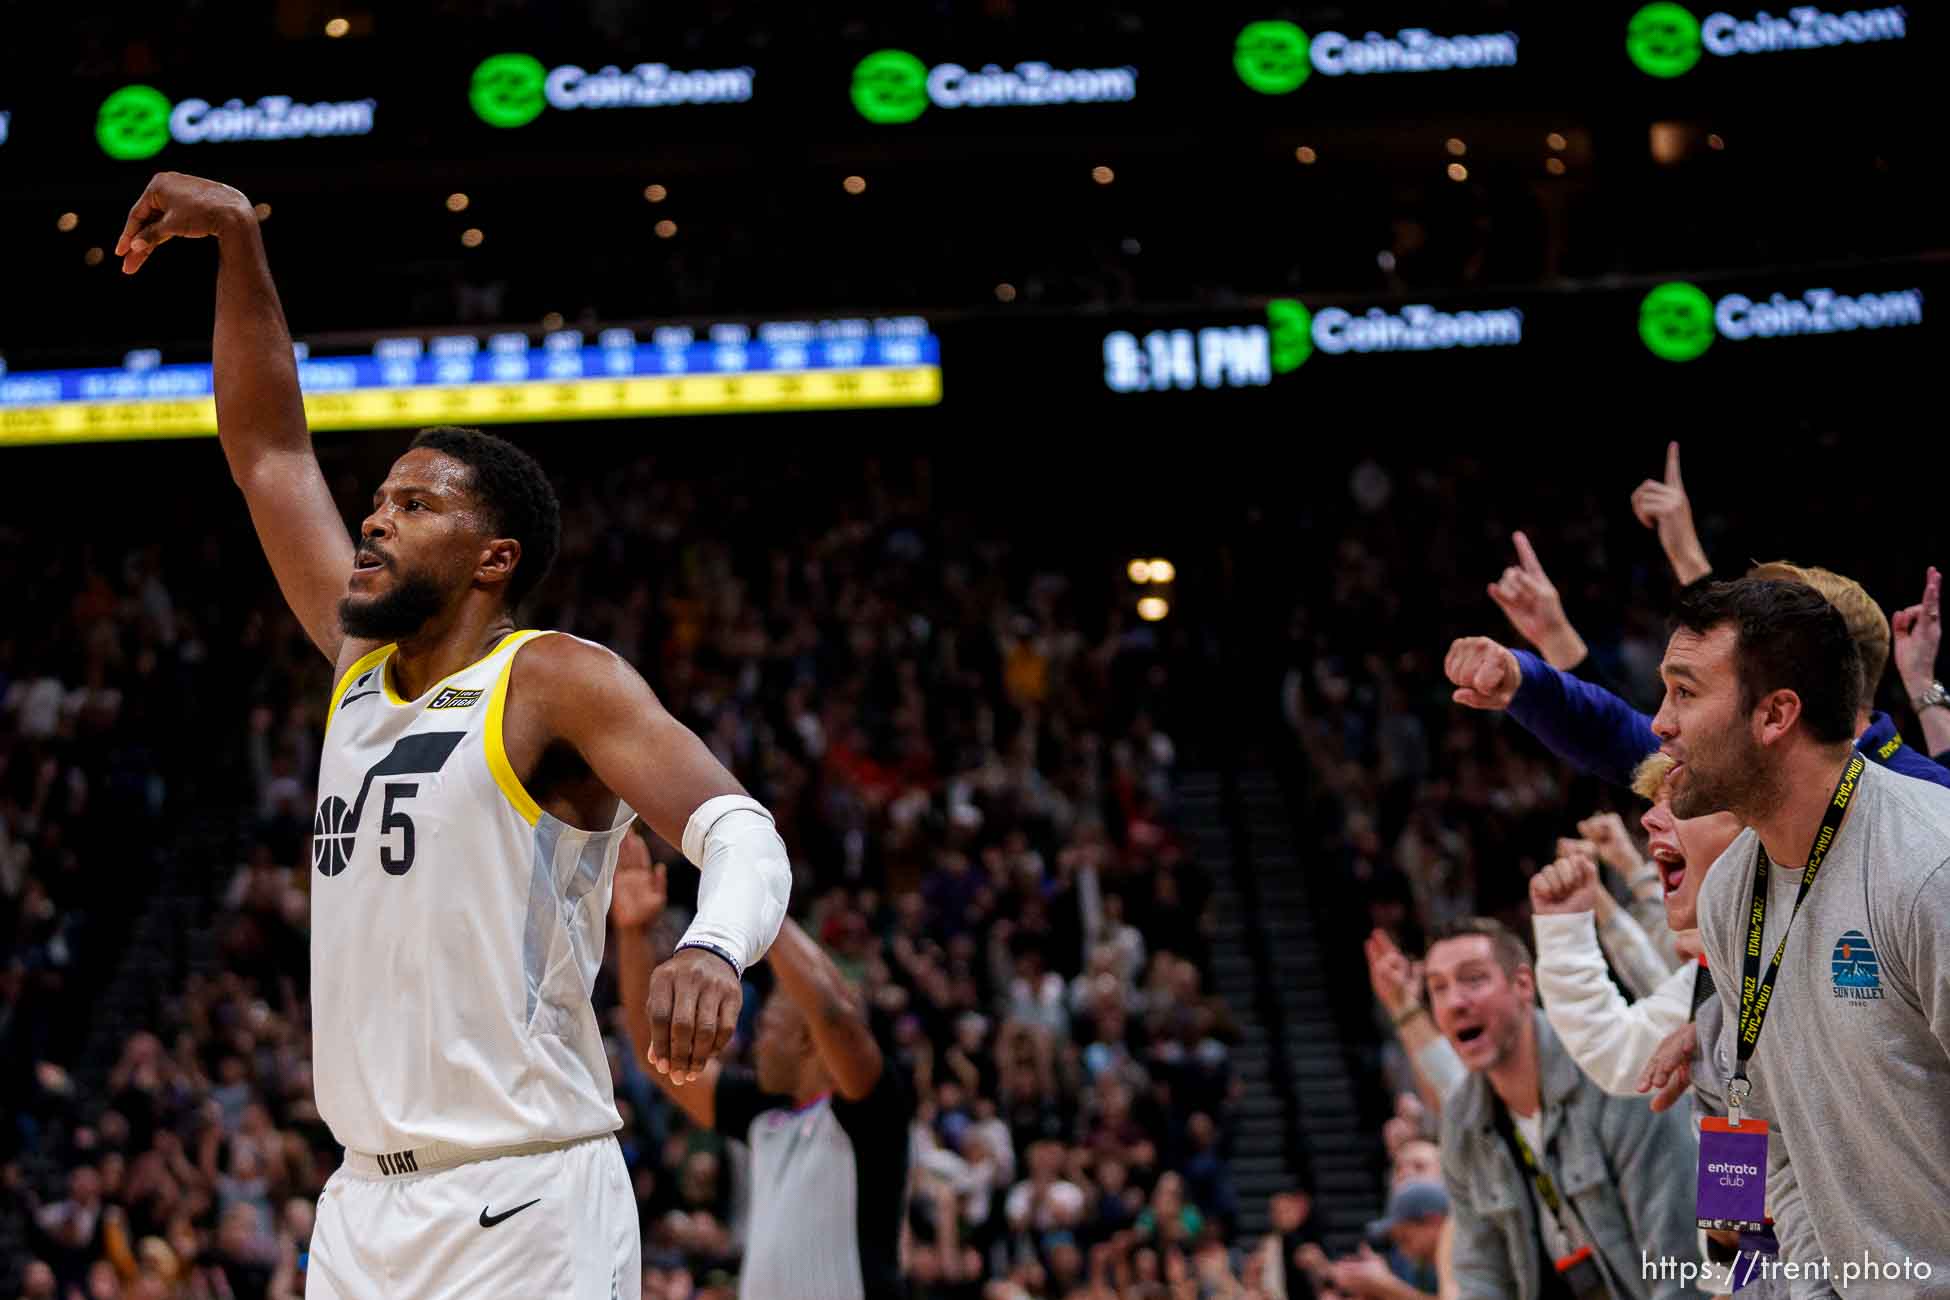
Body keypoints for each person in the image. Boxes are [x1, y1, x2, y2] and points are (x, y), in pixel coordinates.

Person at [117, 172, 795, 1299]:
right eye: (380, 498)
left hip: (525, 1196)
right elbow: (272, 456)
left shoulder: (552, 679)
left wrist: (714, 946)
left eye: (417, 504)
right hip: (360, 1207)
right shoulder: (359, 666)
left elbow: (740, 827)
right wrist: (241, 241)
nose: (377, 515)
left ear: (496, 558)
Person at [1654, 577, 1950, 1292]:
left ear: (1776, 715)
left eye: (1685, 693)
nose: (1660, 722)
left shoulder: (1926, 866)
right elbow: (1777, 1143)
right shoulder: (1728, 896)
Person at [611, 835, 913, 1300]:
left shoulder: (871, 1114)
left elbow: (834, 1013)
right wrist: (634, 933)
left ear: (808, 1040)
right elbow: (656, 1053)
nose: (753, 1042)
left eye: (769, 1027)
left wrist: (752, 895)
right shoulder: (763, 1113)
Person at [1423, 918, 1696, 1299]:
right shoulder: (1461, 1120)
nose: (1454, 1003)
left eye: (1473, 980)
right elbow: (1479, 1273)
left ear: (1522, 985)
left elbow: (1679, 1265)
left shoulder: (1612, 1077)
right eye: (1438, 989)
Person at [1530, 756, 1743, 1100]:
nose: (1648, 819)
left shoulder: (1820, 938)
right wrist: (1565, 927)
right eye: (1655, 805)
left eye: (1680, 802)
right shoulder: (1709, 970)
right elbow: (1617, 1051)